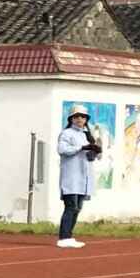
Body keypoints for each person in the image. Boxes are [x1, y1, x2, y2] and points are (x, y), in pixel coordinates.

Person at [56, 105, 101, 248]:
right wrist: (81, 148)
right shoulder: (66, 133)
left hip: (84, 177)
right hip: (71, 176)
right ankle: (63, 237)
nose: (79, 119)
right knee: (71, 206)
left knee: (77, 208)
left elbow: (90, 157)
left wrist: (94, 151)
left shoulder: (87, 135)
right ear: (71, 119)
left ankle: (68, 235)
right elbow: (62, 150)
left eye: (82, 117)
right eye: (76, 117)